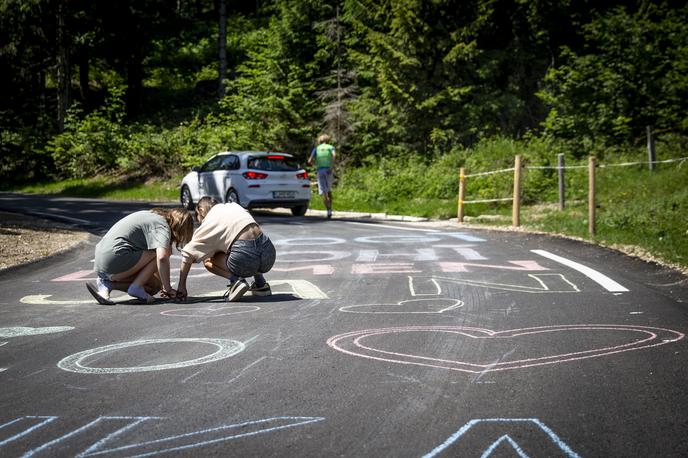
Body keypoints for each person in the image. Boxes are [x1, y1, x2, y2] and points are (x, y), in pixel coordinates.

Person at [175, 197, 276, 302]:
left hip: (245, 259)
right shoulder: (234, 206)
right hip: (268, 254)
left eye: (198, 217)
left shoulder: (209, 221)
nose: (200, 221)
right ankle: (261, 284)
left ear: (201, 211)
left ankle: (236, 281)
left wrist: (181, 286)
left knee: (208, 260)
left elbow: (188, 254)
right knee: (245, 244)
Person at [85, 208, 194, 305]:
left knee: (153, 286)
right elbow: (161, 258)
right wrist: (168, 288)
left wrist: (161, 286)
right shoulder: (162, 225)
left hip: (102, 263)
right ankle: (136, 287)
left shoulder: (152, 217)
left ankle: (107, 284)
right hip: (116, 257)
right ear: (180, 227)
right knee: (163, 252)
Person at [308, 134, 336, 218]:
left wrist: (315, 165)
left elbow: (309, 161)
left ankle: (328, 210)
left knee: (323, 191)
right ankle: (331, 208)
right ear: (328, 140)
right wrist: (331, 166)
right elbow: (334, 155)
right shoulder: (331, 147)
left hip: (320, 170)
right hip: (329, 170)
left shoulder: (316, 149)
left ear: (319, 140)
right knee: (329, 190)